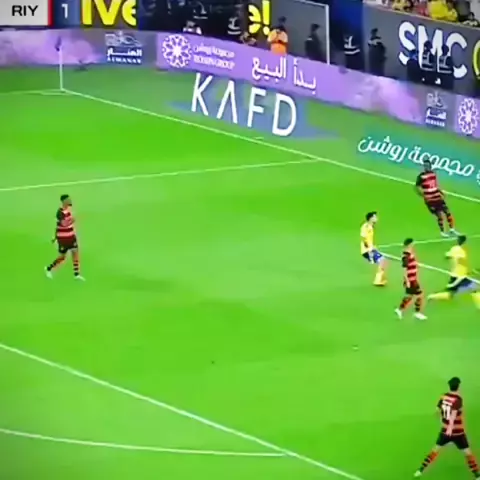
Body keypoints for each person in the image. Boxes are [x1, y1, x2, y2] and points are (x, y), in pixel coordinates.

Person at [414, 377, 480, 478]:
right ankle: (477, 475)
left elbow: (437, 411)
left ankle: (420, 470)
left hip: (444, 432)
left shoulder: (443, 396)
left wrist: (443, 422)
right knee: (468, 453)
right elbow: (453, 414)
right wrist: (450, 427)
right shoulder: (458, 400)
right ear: (458, 386)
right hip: (458, 433)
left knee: (434, 451)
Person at [428, 235, 480, 308]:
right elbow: (460, 261)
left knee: (450, 295)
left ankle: (432, 296)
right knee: (475, 289)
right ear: (465, 242)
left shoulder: (454, 248)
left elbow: (446, 255)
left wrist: (451, 257)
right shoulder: (462, 252)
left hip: (455, 274)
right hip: (460, 276)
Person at [45, 194, 84, 281]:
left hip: (71, 236)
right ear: (64, 201)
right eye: (68, 199)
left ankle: (76, 274)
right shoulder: (60, 212)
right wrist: (73, 220)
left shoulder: (69, 209)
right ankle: (49, 269)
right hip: (63, 238)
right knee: (62, 257)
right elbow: (63, 224)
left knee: (75, 253)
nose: (70, 201)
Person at [415, 160, 458, 237]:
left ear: (430, 166)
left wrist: (441, 192)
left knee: (447, 212)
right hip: (430, 200)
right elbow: (417, 187)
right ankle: (442, 232)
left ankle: (452, 230)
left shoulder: (433, 174)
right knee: (439, 215)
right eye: (425, 166)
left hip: (438, 197)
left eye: (427, 165)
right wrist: (422, 195)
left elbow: (435, 185)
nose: (426, 167)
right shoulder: (421, 176)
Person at [395, 238, 427, 320]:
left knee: (410, 296)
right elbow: (404, 269)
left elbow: (411, 264)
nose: (413, 245)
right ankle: (416, 313)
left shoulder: (409, 253)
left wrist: (415, 265)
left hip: (412, 279)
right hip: (411, 279)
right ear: (409, 244)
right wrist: (407, 281)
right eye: (412, 243)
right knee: (419, 295)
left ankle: (400, 310)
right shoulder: (406, 256)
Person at [360, 212, 387, 286]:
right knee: (382, 261)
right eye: (375, 217)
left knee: (383, 262)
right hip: (367, 250)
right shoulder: (365, 227)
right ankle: (377, 280)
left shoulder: (371, 226)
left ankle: (380, 279)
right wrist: (370, 249)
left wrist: (373, 246)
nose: (377, 218)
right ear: (371, 218)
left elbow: (368, 239)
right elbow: (363, 238)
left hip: (370, 249)